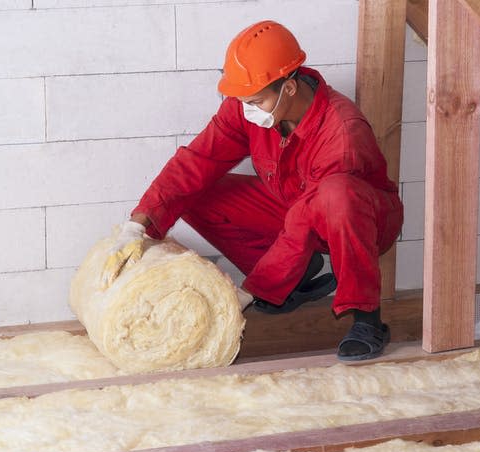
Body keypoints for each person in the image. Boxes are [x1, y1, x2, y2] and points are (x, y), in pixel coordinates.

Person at [102, 20, 403, 361]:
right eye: (243, 100)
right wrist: (137, 225)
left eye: (256, 101)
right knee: (197, 192)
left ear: (289, 88)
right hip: (292, 203)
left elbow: (307, 219)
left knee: (337, 196)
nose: (246, 109)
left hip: (355, 219)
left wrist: (250, 291)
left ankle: (368, 320)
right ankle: (294, 278)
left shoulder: (342, 134)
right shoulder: (249, 107)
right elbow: (198, 160)